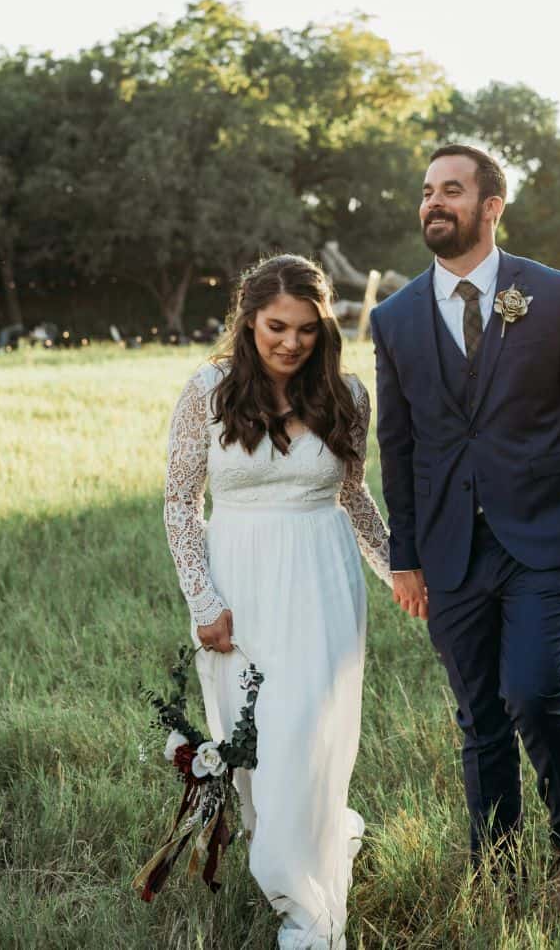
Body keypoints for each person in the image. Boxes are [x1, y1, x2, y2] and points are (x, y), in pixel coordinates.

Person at [370, 145, 560, 911]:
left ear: (491, 206)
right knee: (477, 713)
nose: (432, 204)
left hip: (544, 535)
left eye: (450, 190)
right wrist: (404, 556)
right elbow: (399, 445)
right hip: (448, 548)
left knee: (531, 686)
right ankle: (494, 863)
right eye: (424, 192)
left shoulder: (549, 294)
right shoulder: (393, 318)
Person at [163, 254, 392, 949]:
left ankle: (304, 911)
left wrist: (399, 573)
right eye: (275, 327)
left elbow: (354, 499)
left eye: (305, 330)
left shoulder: (347, 394)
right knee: (259, 754)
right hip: (241, 585)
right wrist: (203, 599)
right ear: (247, 321)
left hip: (323, 582)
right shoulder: (208, 389)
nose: (290, 343)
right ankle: (295, 847)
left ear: (324, 329)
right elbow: (179, 502)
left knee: (307, 737)